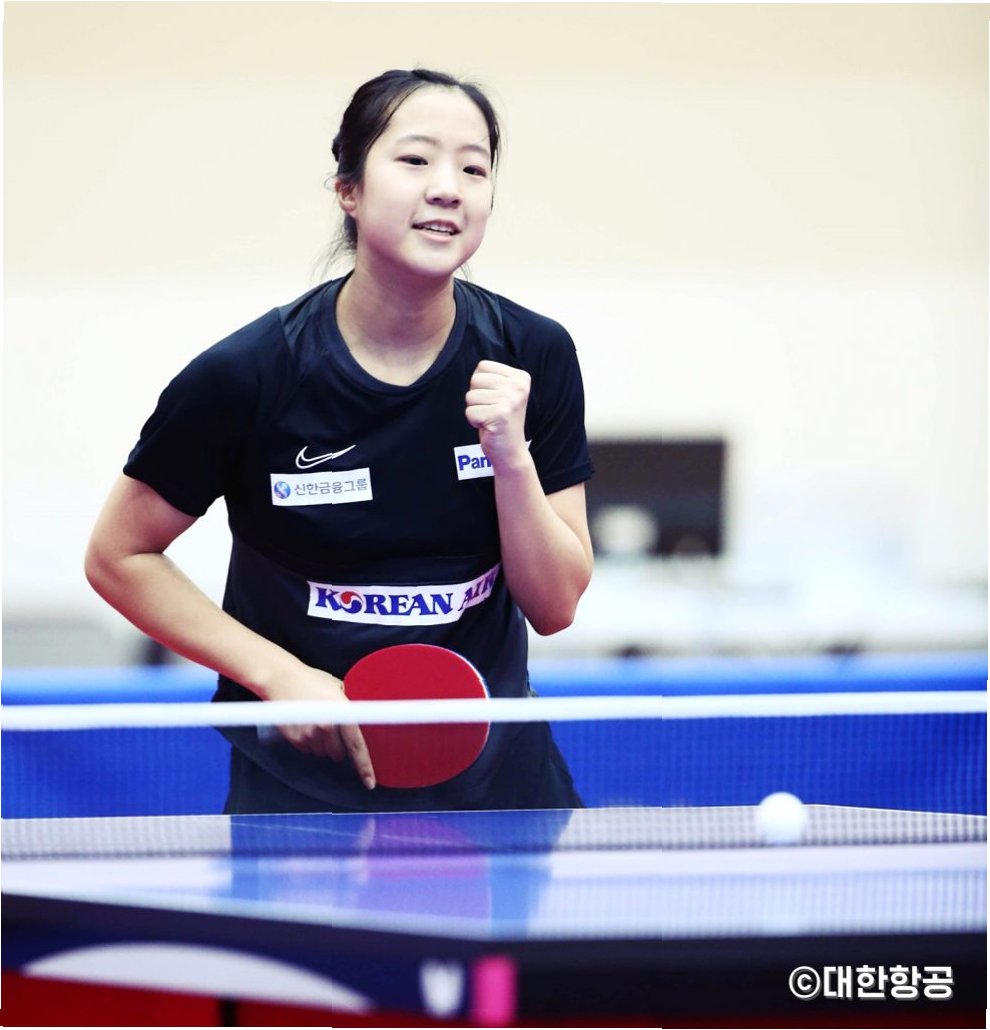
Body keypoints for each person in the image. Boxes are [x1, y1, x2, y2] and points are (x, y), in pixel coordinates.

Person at [85, 68, 595, 814]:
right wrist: (276, 673)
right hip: (303, 794)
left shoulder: (533, 355)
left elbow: (555, 607)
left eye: (474, 168)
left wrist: (511, 460)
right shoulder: (248, 374)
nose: (448, 188)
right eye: (415, 159)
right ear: (348, 190)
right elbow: (118, 556)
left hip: (501, 785)